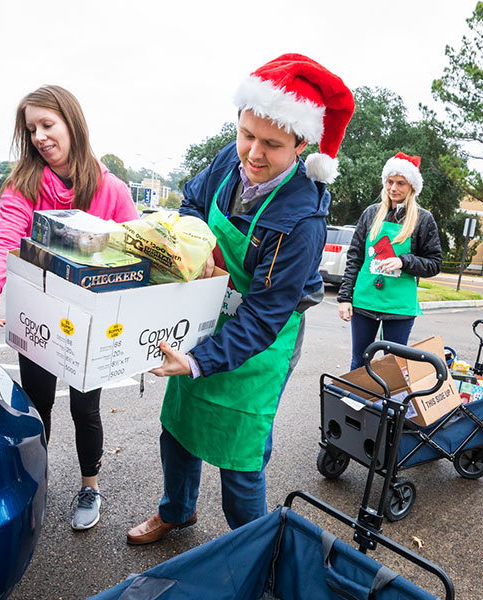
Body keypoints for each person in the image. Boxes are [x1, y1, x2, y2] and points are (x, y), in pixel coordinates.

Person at [126, 54, 355, 545]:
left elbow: (264, 316)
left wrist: (194, 360)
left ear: (301, 143)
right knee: (179, 426)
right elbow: (191, 203)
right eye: (246, 134)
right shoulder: (227, 162)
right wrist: (199, 249)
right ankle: (177, 510)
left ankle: (253, 547)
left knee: (241, 453)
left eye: (271, 144)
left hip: (263, 339)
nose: (252, 152)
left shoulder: (303, 219)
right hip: (208, 313)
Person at [0, 85, 138, 530]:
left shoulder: (112, 189)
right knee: (38, 405)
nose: (40, 136)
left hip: (93, 321)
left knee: (86, 408)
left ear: (72, 123)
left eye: (48, 124)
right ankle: (38, 481)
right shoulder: (24, 185)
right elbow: (5, 238)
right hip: (40, 314)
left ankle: (91, 487)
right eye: (31, 129)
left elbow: (138, 252)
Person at [337, 152, 442, 370]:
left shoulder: (423, 220)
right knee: (359, 361)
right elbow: (354, 257)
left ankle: (385, 405)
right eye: (390, 182)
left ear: (411, 186)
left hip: (399, 306)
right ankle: (356, 403)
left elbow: (434, 263)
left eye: (400, 183)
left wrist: (404, 261)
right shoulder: (370, 214)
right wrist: (344, 298)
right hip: (365, 301)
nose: (393, 188)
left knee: (391, 366)